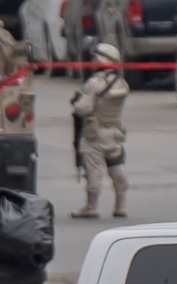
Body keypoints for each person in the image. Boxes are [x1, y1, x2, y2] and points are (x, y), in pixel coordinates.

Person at [71, 42, 129, 219]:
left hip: (94, 133)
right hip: (115, 132)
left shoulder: (94, 83)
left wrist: (76, 102)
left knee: (94, 172)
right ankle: (120, 206)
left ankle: (91, 206)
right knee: (116, 168)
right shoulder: (121, 83)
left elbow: (83, 108)